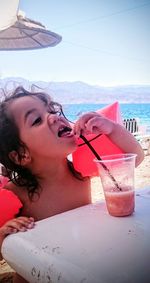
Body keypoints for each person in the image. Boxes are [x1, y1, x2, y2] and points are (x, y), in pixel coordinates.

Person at [0, 86, 144, 282]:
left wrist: (111, 128)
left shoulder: (80, 171)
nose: (53, 117)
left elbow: (135, 157)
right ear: (21, 155)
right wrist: (3, 234)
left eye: (52, 110)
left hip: (75, 266)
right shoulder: (15, 193)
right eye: (37, 120)